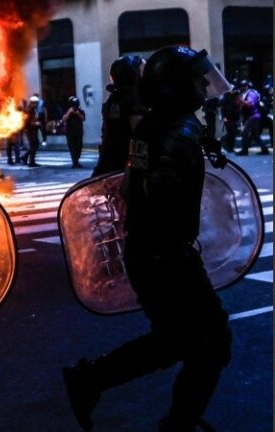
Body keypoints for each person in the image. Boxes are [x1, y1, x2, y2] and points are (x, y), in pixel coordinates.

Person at [63, 46, 233, 432]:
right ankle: (176, 423)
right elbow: (159, 188)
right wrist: (174, 250)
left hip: (151, 252)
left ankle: (92, 379)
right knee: (208, 347)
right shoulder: (180, 130)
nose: (203, 84)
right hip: (167, 256)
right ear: (177, 86)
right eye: (195, 78)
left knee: (181, 341)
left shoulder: (149, 126)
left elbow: (129, 186)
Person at [92, 55, 146, 177]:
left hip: (109, 167)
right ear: (135, 75)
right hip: (125, 171)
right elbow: (141, 135)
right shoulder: (134, 100)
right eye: (143, 72)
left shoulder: (114, 98)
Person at [237, 80, 268, 155]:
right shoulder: (246, 94)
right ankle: (264, 149)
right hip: (254, 117)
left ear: (248, 86)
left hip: (253, 116)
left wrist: (240, 100)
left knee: (244, 132)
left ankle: (244, 151)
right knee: (255, 135)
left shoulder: (251, 94)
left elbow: (249, 104)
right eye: (242, 86)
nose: (243, 87)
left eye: (244, 86)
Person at [62, 96, 86, 168]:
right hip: (70, 131)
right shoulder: (67, 111)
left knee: (79, 146)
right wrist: (69, 113)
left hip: (78, 131)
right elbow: (63, 119)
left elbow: (83, 119)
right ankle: (75, 162)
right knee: (72, 147)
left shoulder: (80, 111)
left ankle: (76, 160)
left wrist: (77, 113)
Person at [21, 95, 43, 167]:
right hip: (30, 130)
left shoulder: (33, 109)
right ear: (32, 103)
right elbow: (28, 122)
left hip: (33, 129)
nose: (37, 104)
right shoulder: (29, 110)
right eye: (35, 103)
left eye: (37, 103)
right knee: (34, 145)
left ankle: (25, 157)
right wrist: (36, 124)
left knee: (35, 145)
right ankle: (31, 162)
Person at [219, 85, 241, 152]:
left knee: (233, 133)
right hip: (228, 118)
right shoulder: (225, 97)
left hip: (234, 118)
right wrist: (224, 117)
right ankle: (227, 147)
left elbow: (237, 106)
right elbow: (222, 108)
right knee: (229, 133)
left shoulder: (235, 96)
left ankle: (230, 147)